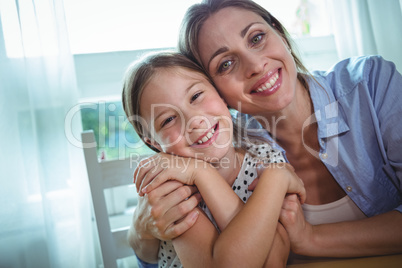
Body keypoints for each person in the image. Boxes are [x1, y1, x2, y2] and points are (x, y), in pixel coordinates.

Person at [131, 0, 402, 264]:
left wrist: (311, 238)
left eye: (256, 37)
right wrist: (141, 236)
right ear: (218, 90)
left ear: (280, 33)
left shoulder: (369, 84)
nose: (256, 65)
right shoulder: (223, 154)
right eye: (225, 64)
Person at [122, 51, 306, 267]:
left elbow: (273, 261)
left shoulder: (263, 156)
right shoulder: (174, 192)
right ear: (153, 143)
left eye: (195, 96)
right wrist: (203, 173)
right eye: (169, 119)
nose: (194, 120)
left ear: (220, 95)